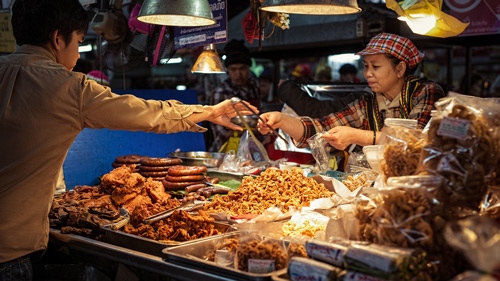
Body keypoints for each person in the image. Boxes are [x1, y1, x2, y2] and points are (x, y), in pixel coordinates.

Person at [0, 0, 256, 279]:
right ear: (58, 38)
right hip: (10, 252)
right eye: (79, 41)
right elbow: (144, 113)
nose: (76, 53)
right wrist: (207, 112)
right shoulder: (68, 88)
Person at [258, 33, 445, 151]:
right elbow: (321, 129)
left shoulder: (426, 92)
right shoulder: (367, 102)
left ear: (400, 69)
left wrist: (357, 136)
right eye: (365, 66)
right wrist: (282, 121)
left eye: (376, 66)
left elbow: (415, 139)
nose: (368, 74)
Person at [207, 39, 260, 151]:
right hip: (227, 150)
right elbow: (219, 133)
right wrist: (241, 133)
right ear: (228, 70)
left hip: (252, 147)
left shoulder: (254, 87)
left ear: (248, 68)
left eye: (242, 69)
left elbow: (259, 115)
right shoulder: (221, 92)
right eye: (233, 69)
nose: (238, 74)